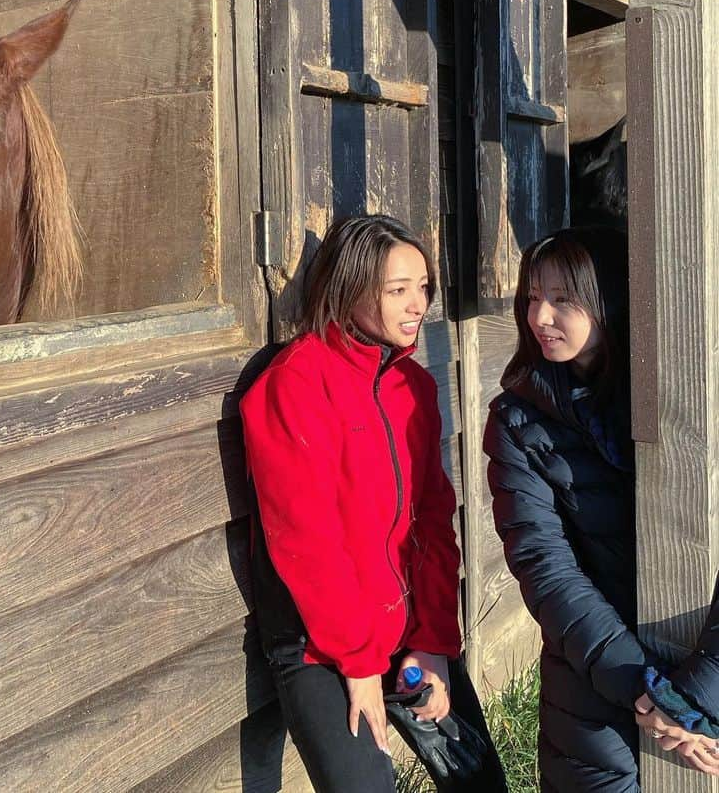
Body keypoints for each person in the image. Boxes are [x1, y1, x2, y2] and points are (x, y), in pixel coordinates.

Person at [241, 214, 505, 792]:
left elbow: (433, 520)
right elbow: (306, 538)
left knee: (479, 782)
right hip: (323, 649)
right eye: (397, 290)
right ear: (350, 287)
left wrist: (433, 644)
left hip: (405, 639)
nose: (419, 305)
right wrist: (360, 665)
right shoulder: (295, 382)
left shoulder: (415, 386)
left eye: (424, 287)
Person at [484, 227, 719, 791]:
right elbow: (544, 565)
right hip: (592, 680)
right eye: (533, 295)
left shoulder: (691, 399)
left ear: (609, 298)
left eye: (563, 298)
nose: (540, 314)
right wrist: (645, 690)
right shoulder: (517, 420)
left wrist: (697, 691)